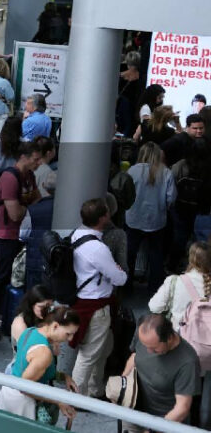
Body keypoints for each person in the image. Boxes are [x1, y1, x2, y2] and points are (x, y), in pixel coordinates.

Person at [70, 197, 129, 399]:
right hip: (97, 308)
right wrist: (120, 272)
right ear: (102, 218)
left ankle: (95, 390)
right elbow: (119, 279)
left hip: (83, 301)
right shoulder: (98, 248)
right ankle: (75, 397)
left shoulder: (77, 234)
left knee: (103, 349)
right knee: (88, 355)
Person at [0, 143, 43, 340]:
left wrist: (25, 206)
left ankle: (5, 313)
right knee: (1, 273)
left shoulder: (29, 176)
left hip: (19, 233)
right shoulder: (10, 178)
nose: (39, 162)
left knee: (13, 275)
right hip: (6, 232)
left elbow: (36, 200)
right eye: (35, 158)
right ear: (23, 157)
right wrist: (27, 207)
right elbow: (16, 213)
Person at [0, 305, 80, 424]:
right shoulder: (44, 354)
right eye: (68, 334)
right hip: (22, 403)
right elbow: (24, 388)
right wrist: (58, 401)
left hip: (9, 391)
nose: (70, 339)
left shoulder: (31, 331)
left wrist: (64, 377)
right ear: (55, 326)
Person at [122, 314, 200, 431]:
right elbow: (135, 356)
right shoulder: (145, 336)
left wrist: (154, 429)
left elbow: (182, 408)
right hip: (134, 409)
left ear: (169, 338)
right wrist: (122, 382)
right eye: (145, 346)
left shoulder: (187, 362)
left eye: (154, 348)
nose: (148, 351)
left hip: (164, 420)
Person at [126, 142, 176, 293]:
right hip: (157, 220)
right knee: (156, 255)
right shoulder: (166, 172)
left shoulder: (132, 170)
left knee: (129, 254)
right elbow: (171, 197)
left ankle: (126, 287)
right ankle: (154, 289)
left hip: (134, 218)